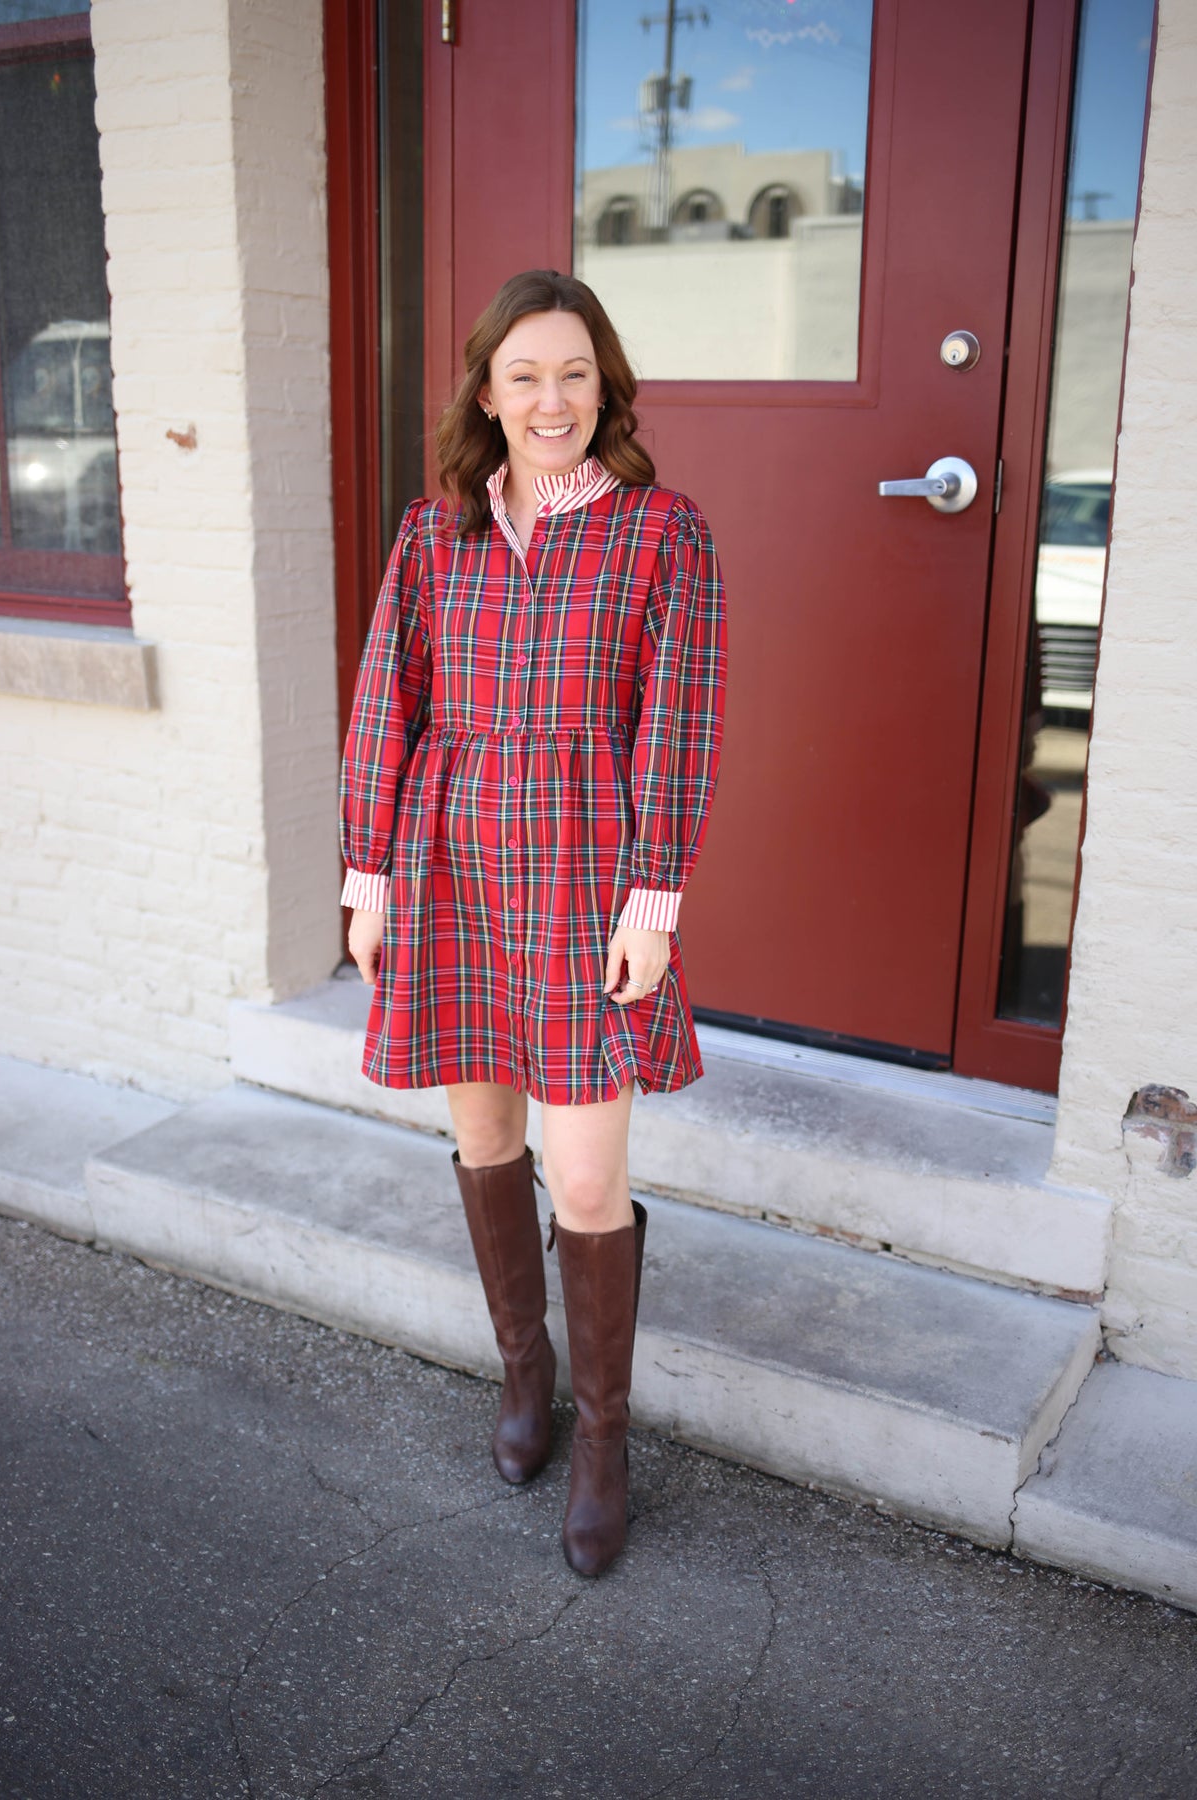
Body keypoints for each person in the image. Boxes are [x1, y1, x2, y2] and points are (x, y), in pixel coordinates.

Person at [339, 269, 727, 1578]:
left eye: (573, 373)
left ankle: (607, 1440)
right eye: (524, 377)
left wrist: (653, 901)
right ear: (488, 398)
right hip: (447, 866)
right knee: (484, 1136)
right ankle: (526, 1377)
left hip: (582, 877)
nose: (550, 399)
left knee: (587, 1178)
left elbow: (678, 728)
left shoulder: (663, 533)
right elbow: (385, 703)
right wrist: (369, 875)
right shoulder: (432, 534)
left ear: (603, 386)